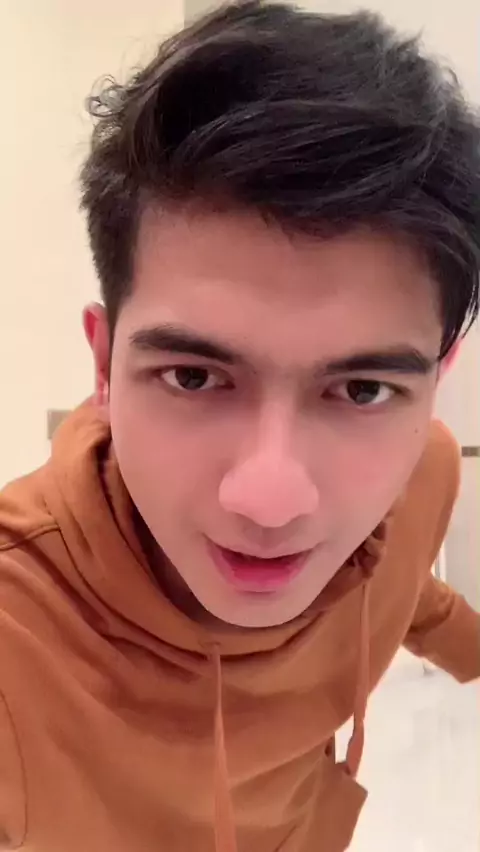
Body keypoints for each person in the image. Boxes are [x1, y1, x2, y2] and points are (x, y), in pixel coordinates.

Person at [1, 1, 479, 850]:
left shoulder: (423, 471)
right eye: (194, 377)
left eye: (363, 390)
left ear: (436, 380)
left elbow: (405, 587)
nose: (270, 501)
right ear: (103, 365)